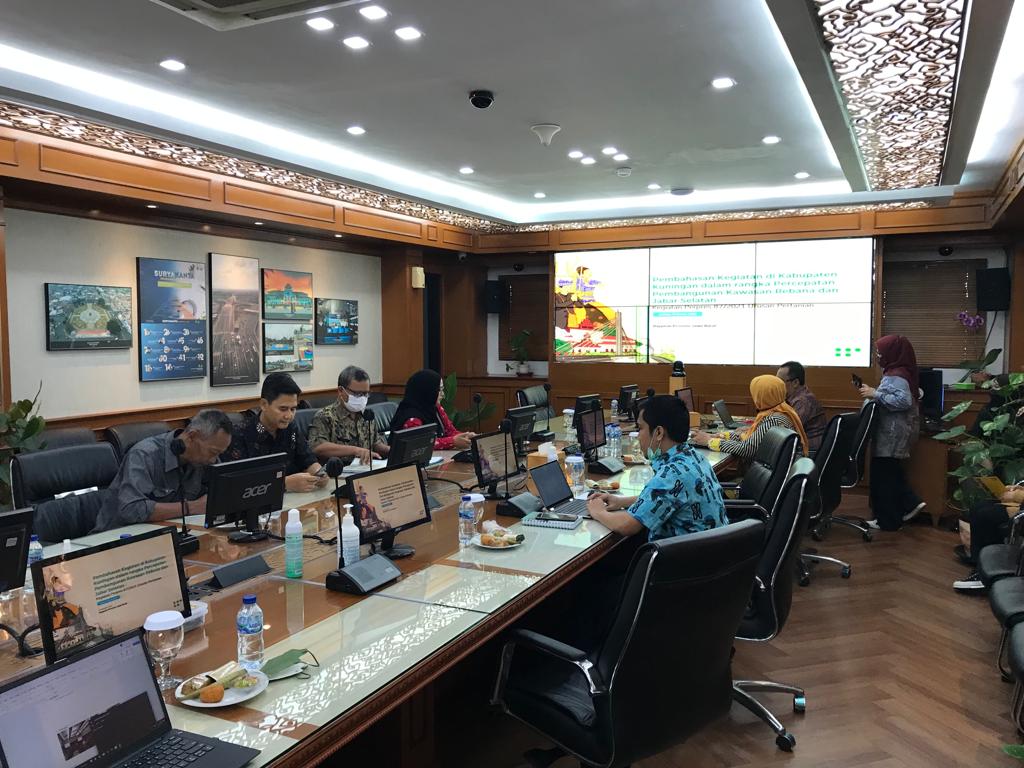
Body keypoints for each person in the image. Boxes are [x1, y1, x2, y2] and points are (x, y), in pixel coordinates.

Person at [586, 395, 728, 540]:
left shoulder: (671, 474)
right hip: (712, 548)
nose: (638, 436)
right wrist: (621, 501)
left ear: (659, 432)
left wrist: (598, 512)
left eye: (641, 428)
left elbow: (627, 525)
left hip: (684, 552)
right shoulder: (694, 456)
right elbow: (665, 498)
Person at [92, 409, 233, 532]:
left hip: (166, 532)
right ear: (191, 436)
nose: (213, 460)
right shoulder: (144, 454)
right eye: (213, 452)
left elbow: (220, 493)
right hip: (116, 538)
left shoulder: (202, 460)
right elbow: (131, 509)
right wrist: (192, 508)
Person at [858, 334, 925, 530]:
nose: (878, 356)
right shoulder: (900, 372)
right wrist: (875, 391)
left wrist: (875, 394)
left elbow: (904, 401)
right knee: (889, 474)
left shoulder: (897, 375)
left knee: (885, 476)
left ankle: (892, 517)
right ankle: (897, 512)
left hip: (892, 433)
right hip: (894, 432)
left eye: (880, 352)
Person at [222, 372, 327, 493]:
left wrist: (320, 473)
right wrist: (284, 484)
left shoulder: (291, 429)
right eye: (283, 409)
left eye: (293, 409)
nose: (289, 416)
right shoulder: (239, 434)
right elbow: (235, 484)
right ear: (264, 404)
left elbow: (308, 460)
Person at [691, 374, 809, 459]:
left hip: (763, 483)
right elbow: (750, 437)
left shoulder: (773, 420)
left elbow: (747, 448)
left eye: (755, 394)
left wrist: (710, 441)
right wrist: (720, 436)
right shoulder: (780, 410)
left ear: (762, 396)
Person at [307, 365, 390, 466]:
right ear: (341, 391)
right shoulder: (324, 416)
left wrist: (392, 450)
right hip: (339, 471)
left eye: (365, 393)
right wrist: (356, 450)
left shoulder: (367, 415)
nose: (362, 398)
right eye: (357, 394)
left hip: (366, 468)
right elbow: (317, 447)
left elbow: (375, 443)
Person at [389, 369, 475, 450]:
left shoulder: (435, 408)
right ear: (427, 392)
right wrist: (452, 442)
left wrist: (466, 437)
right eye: (440, 390)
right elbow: (419, 444)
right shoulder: (412, 418)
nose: (443, 395)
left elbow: (450, 431)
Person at [778, 360, 826, 452]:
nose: (777, 386)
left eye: (780, 382)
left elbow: (786, 430)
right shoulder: (794, 398)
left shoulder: (803, 401)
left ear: (795, 382)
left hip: (808, 452)